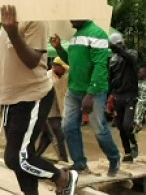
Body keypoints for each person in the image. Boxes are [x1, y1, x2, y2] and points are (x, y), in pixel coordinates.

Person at [0, 5, 78, 195]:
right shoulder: (6, 21)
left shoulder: (35, 19)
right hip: (10, 99)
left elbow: (33, 60)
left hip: (31, 96)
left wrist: (12, 32)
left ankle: (63, 177)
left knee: (16, 158)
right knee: (22, 156)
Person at [50, 20, 120, 176]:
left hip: (93, 91)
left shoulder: (98, 34)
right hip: (74, 89)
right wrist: (59, 49)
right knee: (68, 126)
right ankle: (79, 163)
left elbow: (100, 66)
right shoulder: (76, 35)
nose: (69, 20)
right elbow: (73, 62)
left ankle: (115, 158)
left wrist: (90, 94)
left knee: (99, 128)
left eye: (73, 17)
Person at [109, 34, 139, 162]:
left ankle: (133, 142)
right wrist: (108, 97)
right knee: (120, 126)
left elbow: (131, 59)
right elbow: (110, 78)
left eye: (119, 45)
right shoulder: (113, 60)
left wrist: (119, 50)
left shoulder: (131, 54)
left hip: (130, 96)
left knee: (127, 125)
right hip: (118, 97)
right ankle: (127, 153)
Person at [36, 57, 69, 163]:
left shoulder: (62, 77)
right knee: (58, 136)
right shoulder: (47, 78)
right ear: (56, 66)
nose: (64, 70)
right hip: (49, 113)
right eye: (62, 68)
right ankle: (63, 160)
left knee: (46, 138)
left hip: (57, 112)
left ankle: (35, 156)